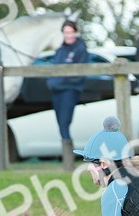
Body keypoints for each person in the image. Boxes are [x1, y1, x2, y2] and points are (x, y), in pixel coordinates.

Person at [47, 19, 89, 171]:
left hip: (70, 90)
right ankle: (68, 161)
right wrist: (52, 82)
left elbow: (78, 74)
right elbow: (54, 69)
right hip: (56, 91)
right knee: (60, 123)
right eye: (66, 32)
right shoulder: (60, 50)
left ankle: (69, 162)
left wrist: (59, 80)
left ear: (75, 32)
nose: (69, 35)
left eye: (71, 32)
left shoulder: (80, 49)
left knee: (65, 122)